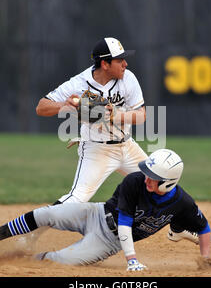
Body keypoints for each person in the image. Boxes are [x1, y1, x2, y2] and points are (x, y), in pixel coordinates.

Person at [0, 149, 211, 271]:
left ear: (169, 183)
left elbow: (204, 227)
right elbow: (125, 220)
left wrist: (206, 260)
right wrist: (132, 260)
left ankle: (19, 261)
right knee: (47, 214)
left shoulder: (183, 203)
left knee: (60, 261)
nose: (146, 178)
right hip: (95, 213)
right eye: (147, 171)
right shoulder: (135, 181)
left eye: (153, 177)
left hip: (108, 241)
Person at [35, 37, 148, 205]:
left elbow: (141, 115)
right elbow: (41, 107)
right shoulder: (79, 83)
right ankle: (30, 230)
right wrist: (64, 105)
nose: (125, 64)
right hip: (97, 149)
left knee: (160, 181)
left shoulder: (128, 78)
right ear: (105, 64)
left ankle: (178, 229)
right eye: (120, 60)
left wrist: (115, 115)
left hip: (127, 146)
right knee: (76, 199)